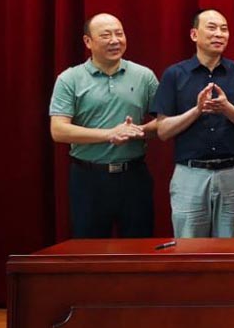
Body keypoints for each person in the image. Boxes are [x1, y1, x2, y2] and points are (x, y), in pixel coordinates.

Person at [49, 13, 159, 238]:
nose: (115, 40)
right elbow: (58, 130)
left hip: (134, 175)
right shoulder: (69, 79)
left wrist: (137, 131)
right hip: (89, 177)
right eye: (106, 35)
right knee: (89, 248)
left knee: (139, 246)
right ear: (88, 41)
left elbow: (165, 122)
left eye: (119, 34)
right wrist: (110, 134)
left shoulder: (144, 76)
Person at [152, 9, 234, 238]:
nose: (219, 34)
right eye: (212, 28)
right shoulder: (175, 74)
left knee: (232, 247)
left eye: (224, 29)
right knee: (189, 246)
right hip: (190, 174)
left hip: (233, 173)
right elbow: (163, 130)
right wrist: (197, 110)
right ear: (194, 34)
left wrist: (227, 108)